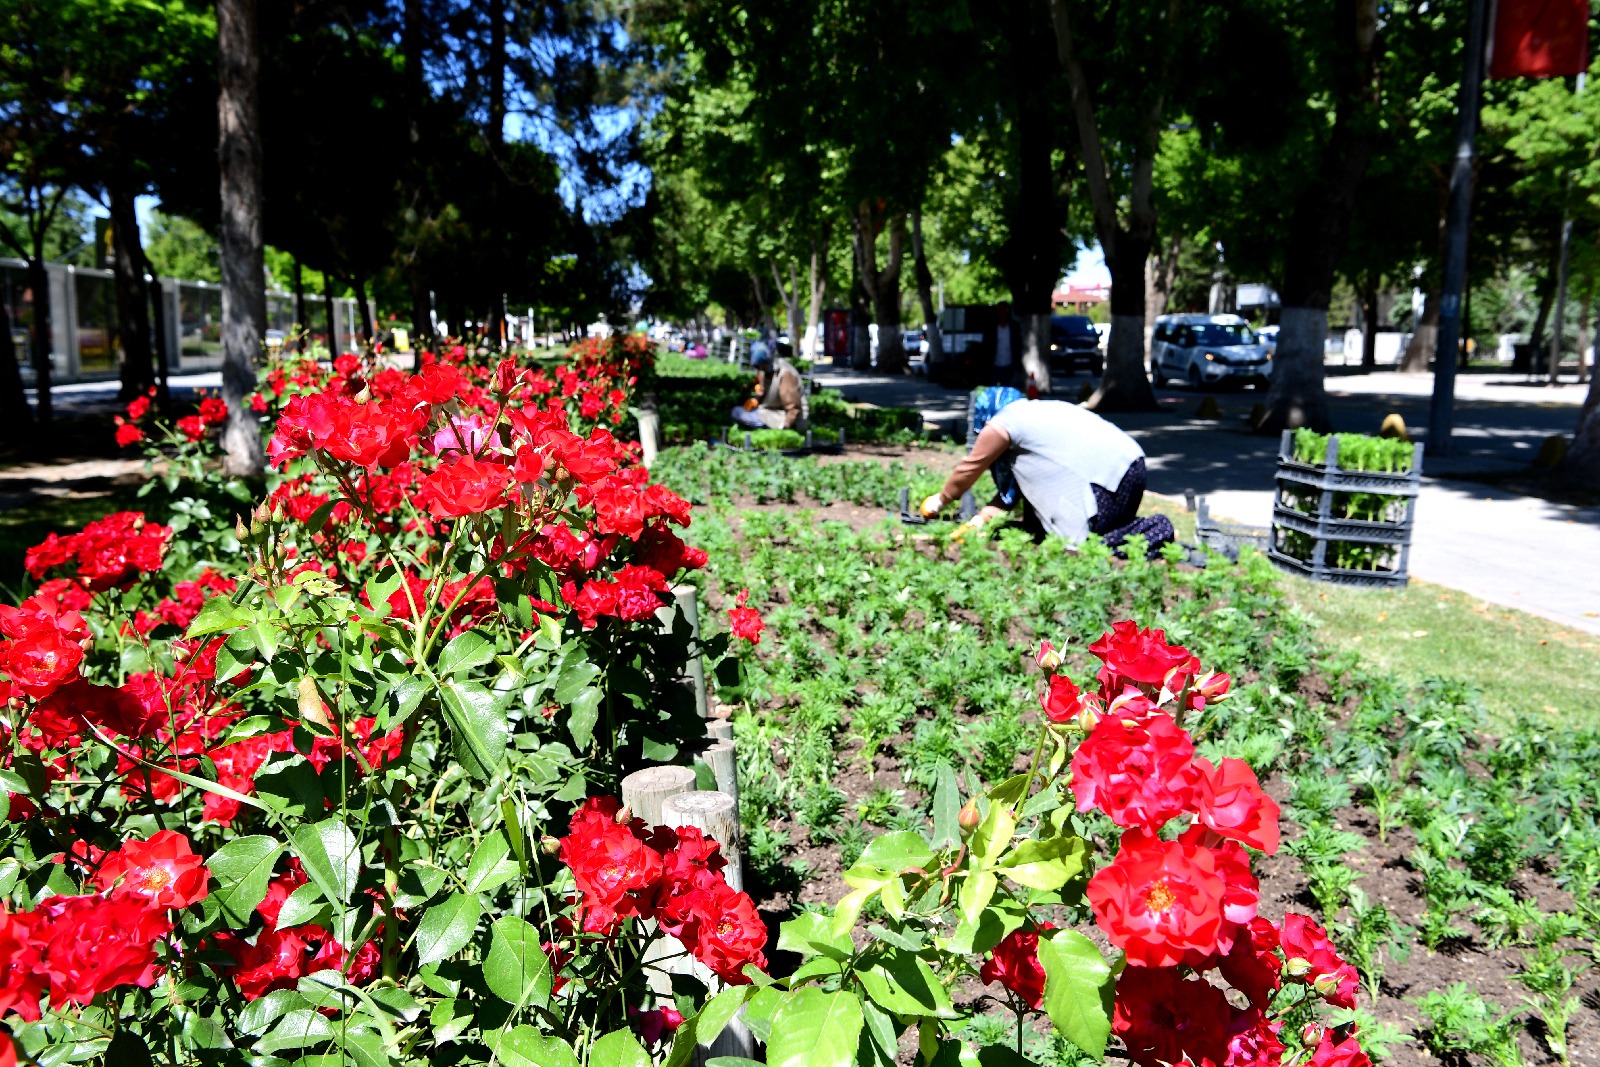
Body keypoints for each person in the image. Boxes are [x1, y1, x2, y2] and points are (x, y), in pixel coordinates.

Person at [922, 387, 1174, 555]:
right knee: (1040, 527)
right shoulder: (1033, 417)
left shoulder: (1004, 421)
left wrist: (939, 501)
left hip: (1107, 481)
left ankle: (1153, 530)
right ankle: (1131, 532)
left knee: (1080, 550)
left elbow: (969, 468)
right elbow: (1011, 494)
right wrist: (978, 523)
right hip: (1130, 469)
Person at [731, 344, 809, 430]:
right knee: (737, 411)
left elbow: (793, 408)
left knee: (741, 414)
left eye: (762, 366)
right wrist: (755, 399)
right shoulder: (764, 371)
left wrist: (786, 427)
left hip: (784, 418)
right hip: (770, 412)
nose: (760, 369)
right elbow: (762, 390)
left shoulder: (785, 373)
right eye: (758, 367)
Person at [992, 302, 1016, 387]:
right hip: (994, 365)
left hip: (1009, 365)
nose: (1002, 313)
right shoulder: (991, 327)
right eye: (1000, 310)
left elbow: (1017, 346)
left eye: (1004, 310)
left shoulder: (1013, 327)